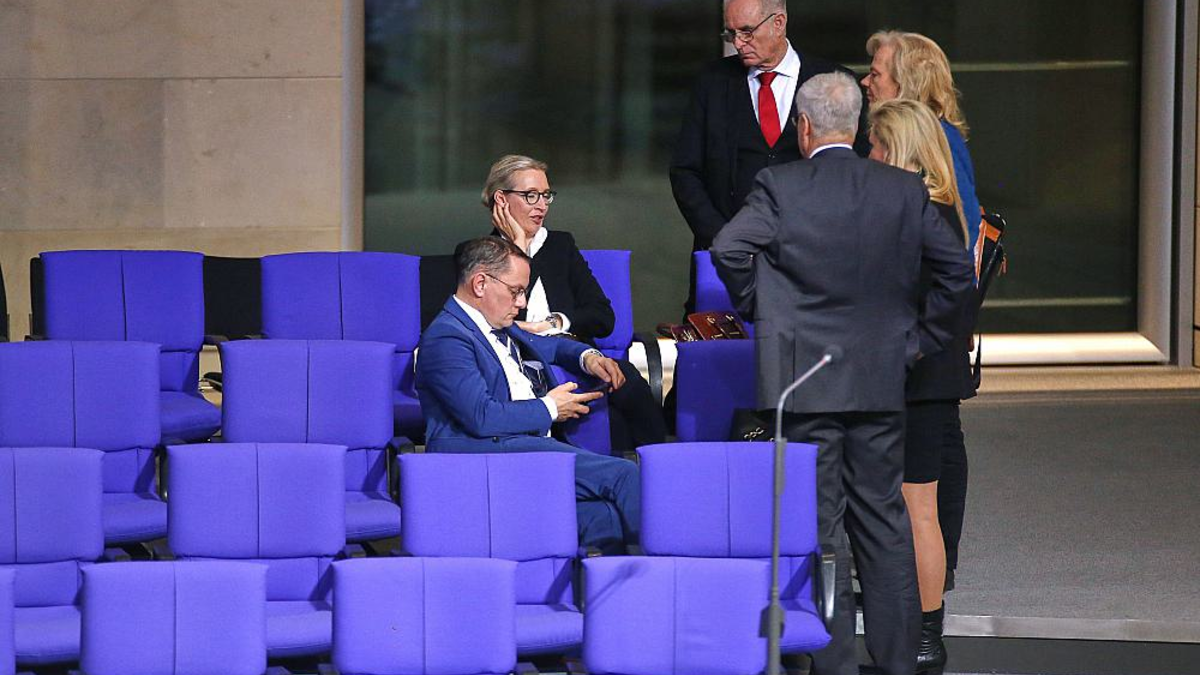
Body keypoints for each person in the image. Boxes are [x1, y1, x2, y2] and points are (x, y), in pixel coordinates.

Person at [711, 73, 974, 675]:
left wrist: (765, 307)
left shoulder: (778, 185)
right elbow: (957, 275)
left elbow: (730, 248)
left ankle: (832, 665)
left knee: (821, 525)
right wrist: (917, 340)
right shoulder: (903, 190)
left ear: (803, 128)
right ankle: (900, 661)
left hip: (802, 382)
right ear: (856, 127)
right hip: (882, 380)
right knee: (882, 521)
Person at [415, 236, 641, 554]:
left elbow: (553, 344)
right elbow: (482, 417)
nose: (521, 303)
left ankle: (610, 596)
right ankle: (669, 568)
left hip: (521, 447)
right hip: (482, 457)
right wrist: (550, 408)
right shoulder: (447, 337)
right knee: (623, 475)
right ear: (480, 283)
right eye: (516, 291)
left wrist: (588, 356)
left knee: (602, 517)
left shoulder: (497, 325)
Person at [862, 28, 979, 594]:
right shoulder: (900, 178)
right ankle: (922, 601)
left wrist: (923, 338)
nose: (867, 80)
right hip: (919, 347)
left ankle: (927, 600)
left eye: (877, 72)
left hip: (923, 350)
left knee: (921, 492)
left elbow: (961, 259)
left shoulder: (933, 161)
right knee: (919, 490)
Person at [669, 0, 869, 314]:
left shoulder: (832, 82)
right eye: (731, 34)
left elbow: (854, 170)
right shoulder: (713, 82)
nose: (738, 43)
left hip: (809, 262)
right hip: (725, 263)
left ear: (778, 23)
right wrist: (724, 238)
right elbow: (685, 171)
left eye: (747, 32)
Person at [483, 154, 667, 454]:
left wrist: (554, 323)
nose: (541, 205)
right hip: (521, 365)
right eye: (531, 196)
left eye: (546, 195)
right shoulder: (478, 254)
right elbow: (498, 320)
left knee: (625, 382)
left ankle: (664, 468)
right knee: (612, 417)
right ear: (501, 200)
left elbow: (602, 317)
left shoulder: (560, 245)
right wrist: (516, 247)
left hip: (576, 356)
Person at [862, 30, 981, 260]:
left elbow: (965, 226)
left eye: (875, 75)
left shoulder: (938, 138)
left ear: (905, 83)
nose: (865, 82)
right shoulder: (899, 135)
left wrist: (949, 291)